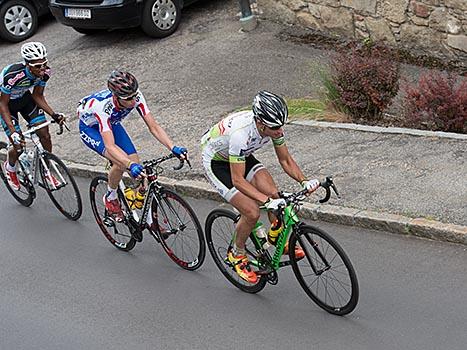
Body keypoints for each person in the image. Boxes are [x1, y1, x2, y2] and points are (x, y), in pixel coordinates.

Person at [201, 90, 320, 283]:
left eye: (281, 126)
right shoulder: (241, 134)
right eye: (275, 128)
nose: (280, 131)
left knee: (274, 193)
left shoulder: (272, 126)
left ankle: (275, 238)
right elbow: (238, 180)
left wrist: (304, 181)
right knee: (252, 212)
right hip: (216, 162)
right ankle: (237, 253)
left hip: (241, 156)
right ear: (260, 123)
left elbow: (286, 160)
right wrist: (265, 201)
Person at [78, 70, 187, 221]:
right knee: (121, 163)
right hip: (91, 129)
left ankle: (149, 221)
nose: (133, 101)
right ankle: (111, 197)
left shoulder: (136, 96)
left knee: (137, 165)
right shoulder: (102, 108)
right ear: (116, 97)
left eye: (135, 96)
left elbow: (153, 127)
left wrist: (173, 147)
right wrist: (128, 164)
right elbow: (110, 146)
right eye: (128, 98)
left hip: (112, 124)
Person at [0, 42, 66, 190]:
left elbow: (37, 95)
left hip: (25, 100)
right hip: (6, 106)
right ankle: (10, 169)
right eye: (38, 66)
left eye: (44, 63)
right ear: (28, 65)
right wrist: (13, 131)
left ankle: (46, 170)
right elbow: (2, 104)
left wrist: (54, 114)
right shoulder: (13, 75)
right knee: (18, 145)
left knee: (45, 135)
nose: (42, 68)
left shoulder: (45, 73)